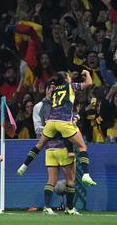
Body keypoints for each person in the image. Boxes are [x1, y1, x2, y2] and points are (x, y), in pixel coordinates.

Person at [17, 70, 97, 186]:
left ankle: (24, 165)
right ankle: (86, 175)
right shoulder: (70, 86)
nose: (70, 78)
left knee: (39, 145)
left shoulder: (55, 91)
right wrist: (87, 74)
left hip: (51, 122)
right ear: (65, 79)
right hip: (63, 122)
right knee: (82, 146)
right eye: (68, 76)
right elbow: (88, 83)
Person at [20, 79, 80, 215]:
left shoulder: (61, 103)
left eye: (55, 87)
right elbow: (38, 129)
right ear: (45, 89)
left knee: (57, 180)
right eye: (50, 87)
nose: (52, 90)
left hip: (55, 148)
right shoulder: (40, 106)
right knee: (69, 179)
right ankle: (69, 208)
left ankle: (53, 207)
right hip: (57, 147)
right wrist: (57, 129)